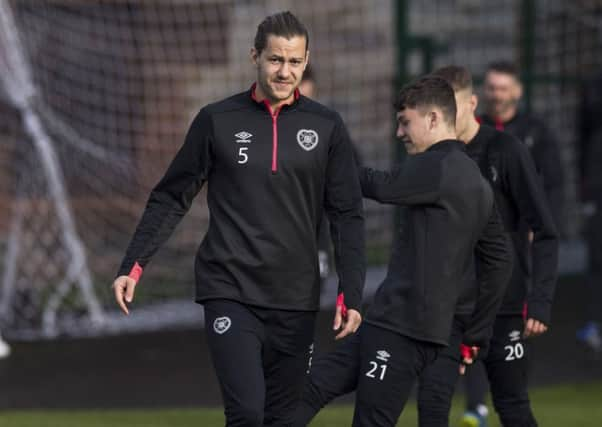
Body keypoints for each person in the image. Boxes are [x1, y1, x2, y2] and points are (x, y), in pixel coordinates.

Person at [111, 11, 365, 427]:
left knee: (283, 418)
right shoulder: (217, 120)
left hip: (297, 296)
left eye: (295, 62)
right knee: (246, 413)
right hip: (230, 288)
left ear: (306, 61)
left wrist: (350, 292)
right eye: (275, 60)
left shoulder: (327, 126)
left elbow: (347, 215)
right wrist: (133, 266)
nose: (285, 71)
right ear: (255, 57)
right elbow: (172, 196)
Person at [294, 76, 512, 427]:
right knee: (309, 388)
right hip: (397, 324)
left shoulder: (437, 165)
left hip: (403, 329)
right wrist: (477, 333)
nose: (399, 132)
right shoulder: (478, 182)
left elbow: (382, 186)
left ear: (433, 119)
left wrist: (322, 161)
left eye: (404, 121)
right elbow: (500, 262)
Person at [420, 65, 559, 427]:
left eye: (453, 106)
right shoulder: (432, 157)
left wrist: (540, 300)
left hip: (504, 306)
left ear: (472, 103)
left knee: (512, 404)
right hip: (448, 310)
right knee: (432, 404)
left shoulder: (506, 150)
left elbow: (545, 229)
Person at [479, 61, 565, 232]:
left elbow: (552, 182)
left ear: (517, 91)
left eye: (503, 89)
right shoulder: (474, 129)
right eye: (491, 88)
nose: (497, 95)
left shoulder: (536, 131)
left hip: (523, 229)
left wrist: (542, 226)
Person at [575, 70, 602, 352]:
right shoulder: (594, 87)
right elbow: (582, 133)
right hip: (597, 187)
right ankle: (594, 323)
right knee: (597, 257)